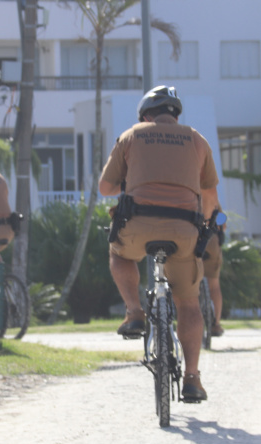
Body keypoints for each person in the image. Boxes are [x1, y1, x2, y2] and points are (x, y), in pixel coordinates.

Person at [100, 85, 220, 402]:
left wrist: (132, 180)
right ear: (175, 114)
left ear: (145, 116)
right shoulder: (197, 140)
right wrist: (206, 228)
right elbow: (210, 198)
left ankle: (135, 311)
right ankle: (192, 378)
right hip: (184, 231)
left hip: (138, 226)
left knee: (119, 255)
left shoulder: (132, 135)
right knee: (189, 304)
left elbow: (105, 187)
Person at [202, 206, 226, 337]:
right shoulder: (208, 189)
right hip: (210, 239)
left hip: (187, 236)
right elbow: (222, 222)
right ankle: (216, 324)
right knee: (214, 285)